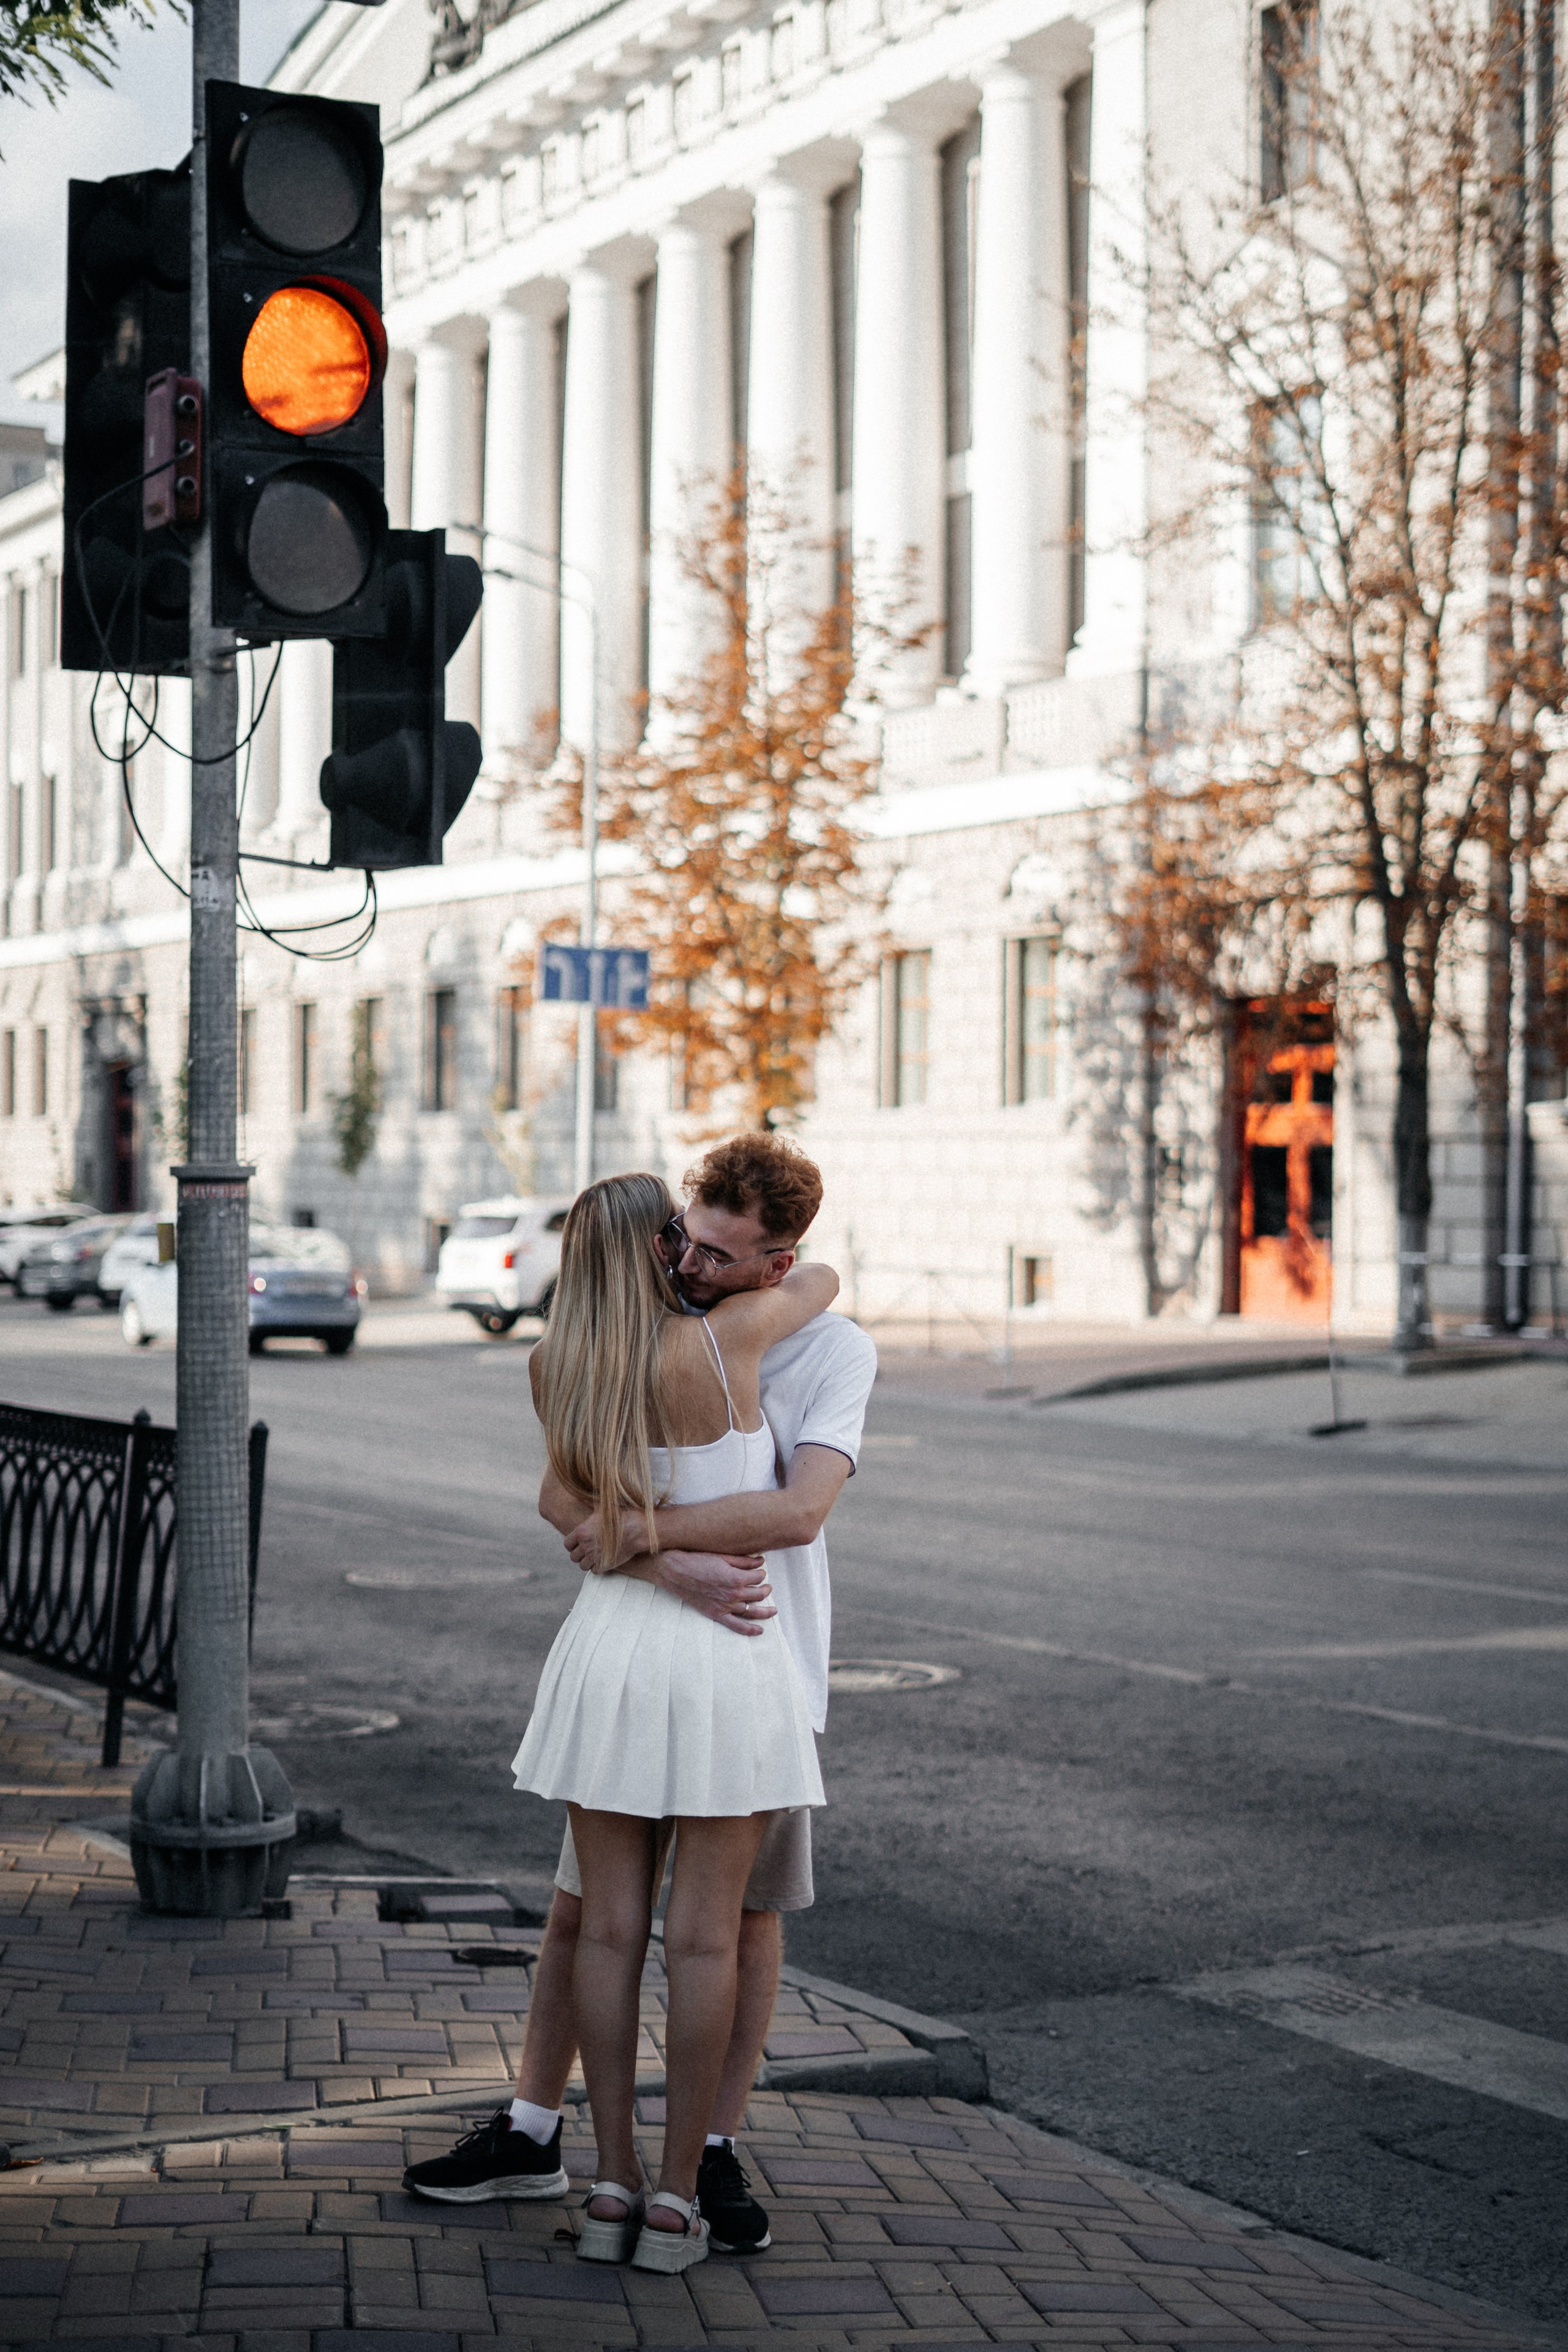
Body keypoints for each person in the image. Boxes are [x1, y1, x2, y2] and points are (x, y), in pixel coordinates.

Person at [404, 1136, 877, 2260]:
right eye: (684, 1238)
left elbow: (759, 1509)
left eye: (719, 1248)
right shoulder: (727, 1344)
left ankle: (622, 2177)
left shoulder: (560, 1361)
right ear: (660, 1246)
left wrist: (633, 1539)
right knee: (696, 1937)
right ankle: (668, 2192)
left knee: (622, 1929)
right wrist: (668, 1556)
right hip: (725, 1661)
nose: (697, 1259)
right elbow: (820, 1282)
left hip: (628, 1657)